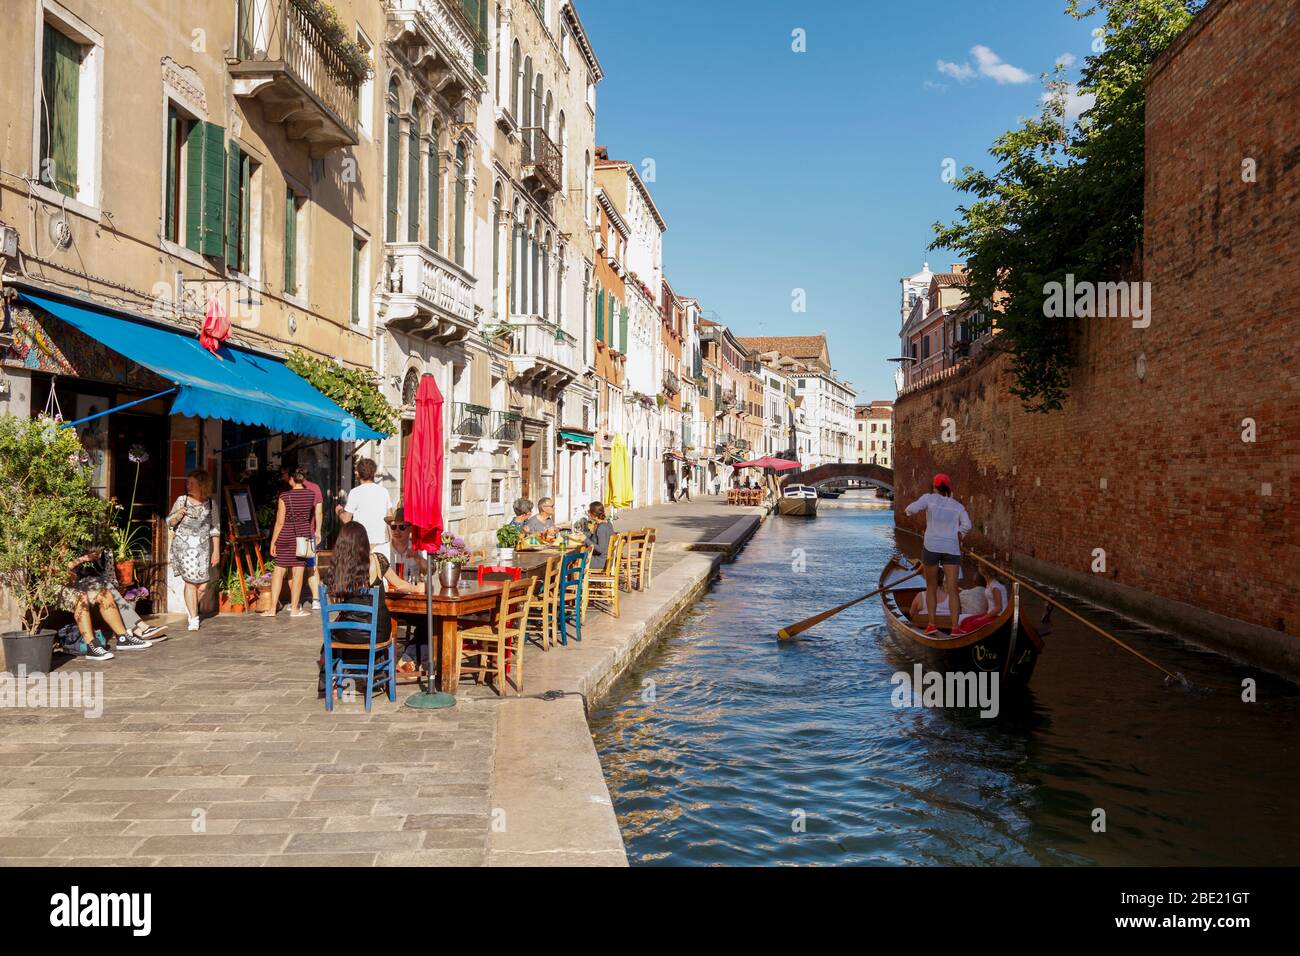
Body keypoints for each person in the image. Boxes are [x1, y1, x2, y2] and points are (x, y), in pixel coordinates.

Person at [321, 522, 422, 690]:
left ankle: (330, 682)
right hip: (378, 633)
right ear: (364, 541)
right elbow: (399, 584)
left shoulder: (338, 567)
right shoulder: (378, 560)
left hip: (348, 633)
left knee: (327, 641)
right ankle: (375, 673)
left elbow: (333, 601)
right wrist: (417, 588)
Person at [904, 472, 971, 634]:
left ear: (934, 486)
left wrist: (908, 513)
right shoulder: (957, 506)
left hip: (932, 547)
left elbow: (910, 509)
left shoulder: (928, 498)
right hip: (951, 548)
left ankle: (932, 624)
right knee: (953, 589)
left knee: (931, 586)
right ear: (948, 488)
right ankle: (955, 627)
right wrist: (959, 534)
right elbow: (967, 525)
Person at [60, 547, 153, 656]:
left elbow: (106, 571)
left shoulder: (100, 547)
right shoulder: (57, 543)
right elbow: (60, 570)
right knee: (85, 596)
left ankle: (123, 637)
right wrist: (83, 559)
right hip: (67, 584)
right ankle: (93, 645)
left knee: (106, 593)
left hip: (84, 582)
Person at [167, 469, 220, 631]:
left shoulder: (211, 504)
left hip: (202, 549)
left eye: (192, 483)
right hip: (183, 547)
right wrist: (178, 514)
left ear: (202, 486)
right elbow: (169, 521)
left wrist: (215, 551)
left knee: (203, 585)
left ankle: (191, 609)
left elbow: (215, 529)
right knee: (190, 582)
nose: (188, 486)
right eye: (187, 483)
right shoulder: (182, 500)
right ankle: (193, 617)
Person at [264, 469, 315, 618]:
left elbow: (280, 522)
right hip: (303, 535)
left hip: (286, 535)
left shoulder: (284, 496)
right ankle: (294, 609)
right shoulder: (311, 495)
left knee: (279, 571)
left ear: (292, 479)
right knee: (298, 571)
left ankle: (272, 609)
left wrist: (273, 541)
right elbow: (313, 515)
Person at [336, 458, 392, 560]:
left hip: (360, 543)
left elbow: (346, 519)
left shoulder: (355, 492)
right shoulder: (384, 492)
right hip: (381, 545)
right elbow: (390, 520)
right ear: (374, 473)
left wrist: (339, 511)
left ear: (358, 474)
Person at [286, 466, 325, 610]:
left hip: (292, 534)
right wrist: (318, 530)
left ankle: (294, 602)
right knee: (312, 567)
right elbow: (319, 512)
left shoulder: (290, 490)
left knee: (293, 568)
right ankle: (315, 600)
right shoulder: (315, 488)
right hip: (309, 534)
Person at [387, 506, 429, 584]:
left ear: (411, 528)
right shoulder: (382, 550)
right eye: (393, 527)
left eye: (402, 527)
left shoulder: (418, 549)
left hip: (412, 594)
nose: (397, 531)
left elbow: (429, 572)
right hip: (387, 594)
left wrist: (418, 558)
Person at [583, 501, 613, 570]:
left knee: (576, 560)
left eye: (589, 511)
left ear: (594, 514)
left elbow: (600, 550)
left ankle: (580, 580)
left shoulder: (601, 528)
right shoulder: (608, 524)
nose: (588, 513)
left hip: (601, 562)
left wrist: (585, 540)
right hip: (607, 559)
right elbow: (595, 537)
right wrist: (586, 534)